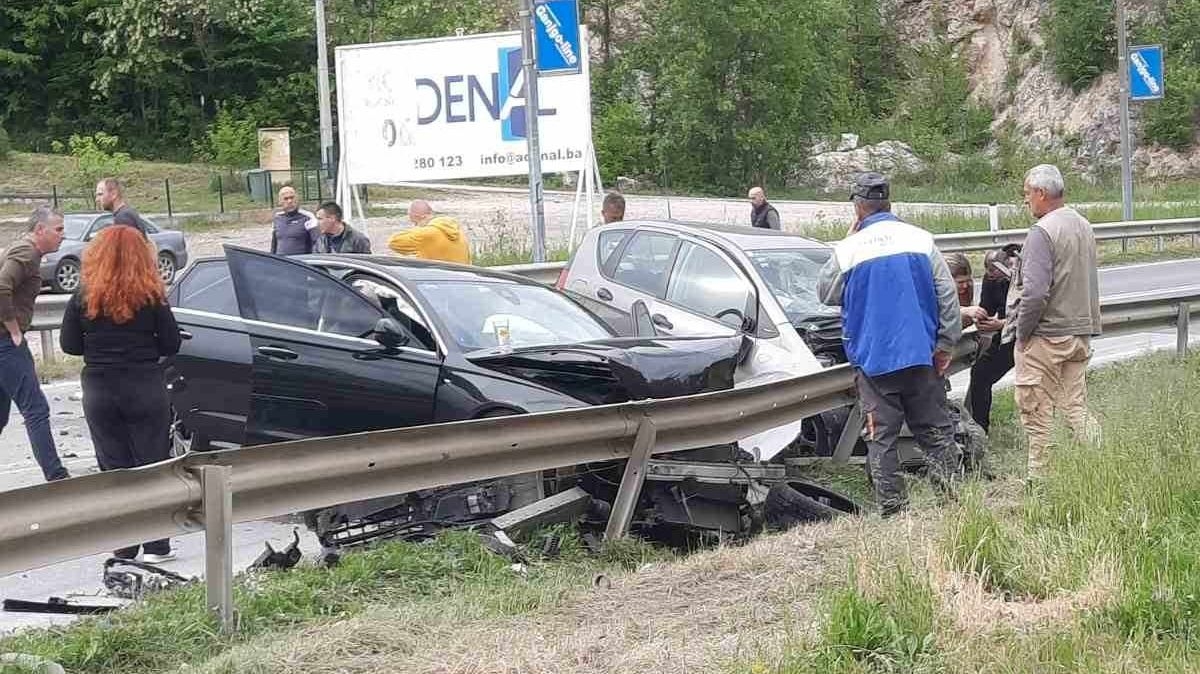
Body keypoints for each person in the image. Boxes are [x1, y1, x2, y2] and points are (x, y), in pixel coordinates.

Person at [817, 173, 961, 516]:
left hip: (873, 361)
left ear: (857, 206)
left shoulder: (849, 249)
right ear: (889, 202)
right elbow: (948, 298)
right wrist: (945, 344)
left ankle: (895, 511)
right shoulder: (921, 240)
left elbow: (826, 294)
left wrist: (848, 240)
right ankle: (953, 502)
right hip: (921, 355)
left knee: (881, 438)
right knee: (935, 430)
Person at [60, 224, 181, 562]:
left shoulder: (84, 296)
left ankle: (125, 545)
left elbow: (69, 345)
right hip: (144, 385)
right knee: (152, 464)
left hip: (100, 389)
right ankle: (157, 544)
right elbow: (171, 343)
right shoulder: (151, 295)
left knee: (114, 468)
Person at [1003, 164, 1101, 477]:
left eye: (1027, 194)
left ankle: (1039, 481)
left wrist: (1022, 334)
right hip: (1078, 333)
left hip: (1046, 336)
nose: (1026, 200)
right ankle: (1105, 464)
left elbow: (1034, 294)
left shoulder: (1042, 232)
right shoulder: (1082, 224)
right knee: (1075, 407)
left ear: (1041, 193)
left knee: (1036, 411)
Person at [0, 207, 69, 482]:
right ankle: (57, 477)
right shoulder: (27, 252)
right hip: (5, 345)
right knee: (36, 409)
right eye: (58, 229)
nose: (62, 236)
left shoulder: (24, 250)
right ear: (40, 230)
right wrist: (13, 328)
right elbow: (1, 285)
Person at [964, 246, 1019, 433]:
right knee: (980, 374)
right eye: (988, 270)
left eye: (995, 270)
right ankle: (980, 430)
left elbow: (1032, 313)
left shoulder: (1022, 276)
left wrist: (1001, 324)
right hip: (1006, 335)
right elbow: (987, 306)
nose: (992, 274)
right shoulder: (991, 279)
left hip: (1030, 335)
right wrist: (980, 317)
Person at [387, 199, 470, 264]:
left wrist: (418, 228)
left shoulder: (426, 233)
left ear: (417, 216)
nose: (415, 225)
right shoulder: (457, 230)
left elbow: (393, 242)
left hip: (440, 280)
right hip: (463, 279)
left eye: (414, 222)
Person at [270, 186, 318, 256]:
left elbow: (317, 244)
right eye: (286, 199)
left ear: (297, 199)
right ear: (280, 202)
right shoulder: (277, 218)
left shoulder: (308, 217)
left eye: (292, 197)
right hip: (282, 263)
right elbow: (274, 245)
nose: (289, 201)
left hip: (300, 264)